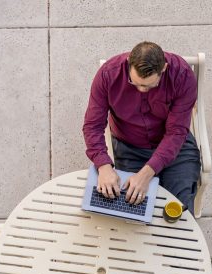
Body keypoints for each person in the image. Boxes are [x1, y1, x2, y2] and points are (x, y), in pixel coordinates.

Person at [83, 41, 201, 211]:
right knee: (128, 211)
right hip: (129, 147)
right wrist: (103, 166)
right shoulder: (108, 75)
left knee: (179, 211)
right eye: (135, 83)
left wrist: (146, 174)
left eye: (149, 85)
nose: (142, 90)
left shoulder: (183, 76)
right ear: (129, 62)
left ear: (164, 69)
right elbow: (92, 126)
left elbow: (176, 132)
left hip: (175, 147)